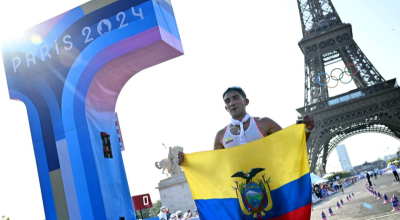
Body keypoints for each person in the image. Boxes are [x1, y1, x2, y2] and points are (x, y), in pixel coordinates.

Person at [177, 86, 314, 165]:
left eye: (236, 98)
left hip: (272, 184)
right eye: (228, 101)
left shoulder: (264, 123)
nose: (232, 103)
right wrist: (188, 162)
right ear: (225, 107)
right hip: (241, 193)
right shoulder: (221, 136)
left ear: (246, 101)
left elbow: (292, 144)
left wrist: (306, 129)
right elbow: (215, 166)